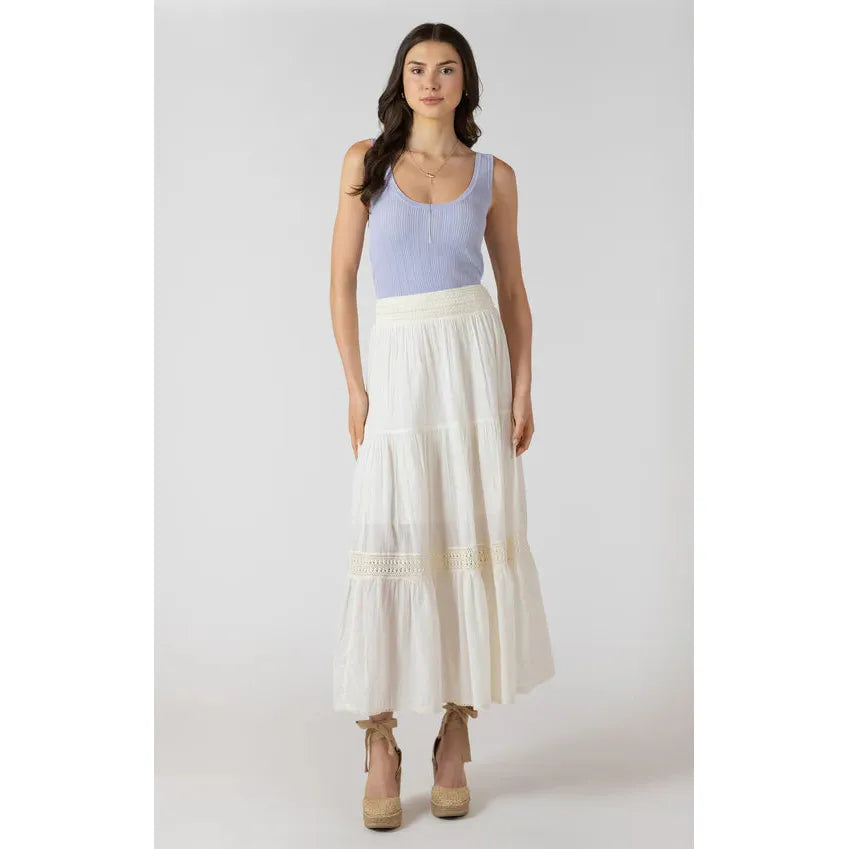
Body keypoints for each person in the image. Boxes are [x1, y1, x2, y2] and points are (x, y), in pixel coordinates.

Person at [328, 22, 556, 830]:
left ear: (465, 83)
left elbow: (514, 291)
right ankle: (379, 738)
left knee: (466, 529)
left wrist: (522, 387)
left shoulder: (495, 176)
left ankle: (455, 729)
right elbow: (342, 278)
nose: (431, 80)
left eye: (447, 68)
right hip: (398, 363)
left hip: (470, 363)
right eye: (418, 68)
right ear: (401, 79)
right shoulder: (365, 162)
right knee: (391, 536)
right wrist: (355, 387)